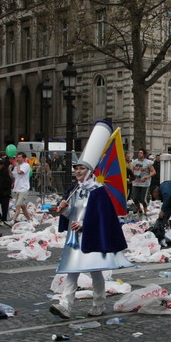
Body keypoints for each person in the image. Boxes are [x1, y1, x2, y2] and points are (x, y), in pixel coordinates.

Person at [49, 122, 132, 319]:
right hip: (74, 238)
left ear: (89, 171)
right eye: (76, 169)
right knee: (72, 271)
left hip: (92, 237)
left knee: (95, 272)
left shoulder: (99, 191)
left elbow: (104, 218)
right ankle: (65, 305)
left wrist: (85, 225)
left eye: (81, 169)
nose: (77, 172)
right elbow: (72, 214)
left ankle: (99, 304)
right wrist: (64, 211)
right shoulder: (74, 190)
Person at [131, 148, 157, 217]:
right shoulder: (134, 162)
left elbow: (154, 172)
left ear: (144, 155)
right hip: (136, 182)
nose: (139, 154)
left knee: (143, 199)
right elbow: (132, 171)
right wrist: (131, 177)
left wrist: (148, 176)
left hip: (144, 184)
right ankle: (139, 210)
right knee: (135, 198)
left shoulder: (148, 162)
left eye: (141, 153)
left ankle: (145, 211)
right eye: (139, 152)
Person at [10, 152, 33, 223]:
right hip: (17, 188)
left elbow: (20, 172)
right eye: (17, 157)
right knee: (23, 206)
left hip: (24, 188)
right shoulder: (16, 167)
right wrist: (9, 169)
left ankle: (13, 220)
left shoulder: (26, 165)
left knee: (18, 205)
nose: (18, 159)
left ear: (24, 158)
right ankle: (29, 219)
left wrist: (17, 166)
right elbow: (13, 176)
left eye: (20, 157)